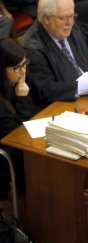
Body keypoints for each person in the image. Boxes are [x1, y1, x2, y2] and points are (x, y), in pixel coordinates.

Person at [0, 38, 39, 209]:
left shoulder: (17, 79)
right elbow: (18, 135)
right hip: (7, 152)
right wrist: (22, 97)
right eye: (17, 67)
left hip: (19, 139)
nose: (23, 72)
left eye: (25, 64)